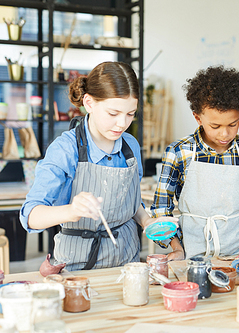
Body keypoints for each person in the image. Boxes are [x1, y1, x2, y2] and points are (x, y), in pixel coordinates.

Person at [20, 61, 178, 271]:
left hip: (127, 263)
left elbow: (131, 202)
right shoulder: (66, 149)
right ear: (89, 102)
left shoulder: (130, 146)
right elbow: (30, 216)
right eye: (113, 114)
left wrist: (147, 221)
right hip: (77, 268)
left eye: (130, 114)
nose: (122, 123)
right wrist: (71, 210)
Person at [150, 65, 239, 260]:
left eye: (233, 124)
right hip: (194, 254)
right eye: (215, 126)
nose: (225, 133)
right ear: (198, 118)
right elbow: (161, 210)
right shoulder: (179, 152)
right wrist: (177, 248)